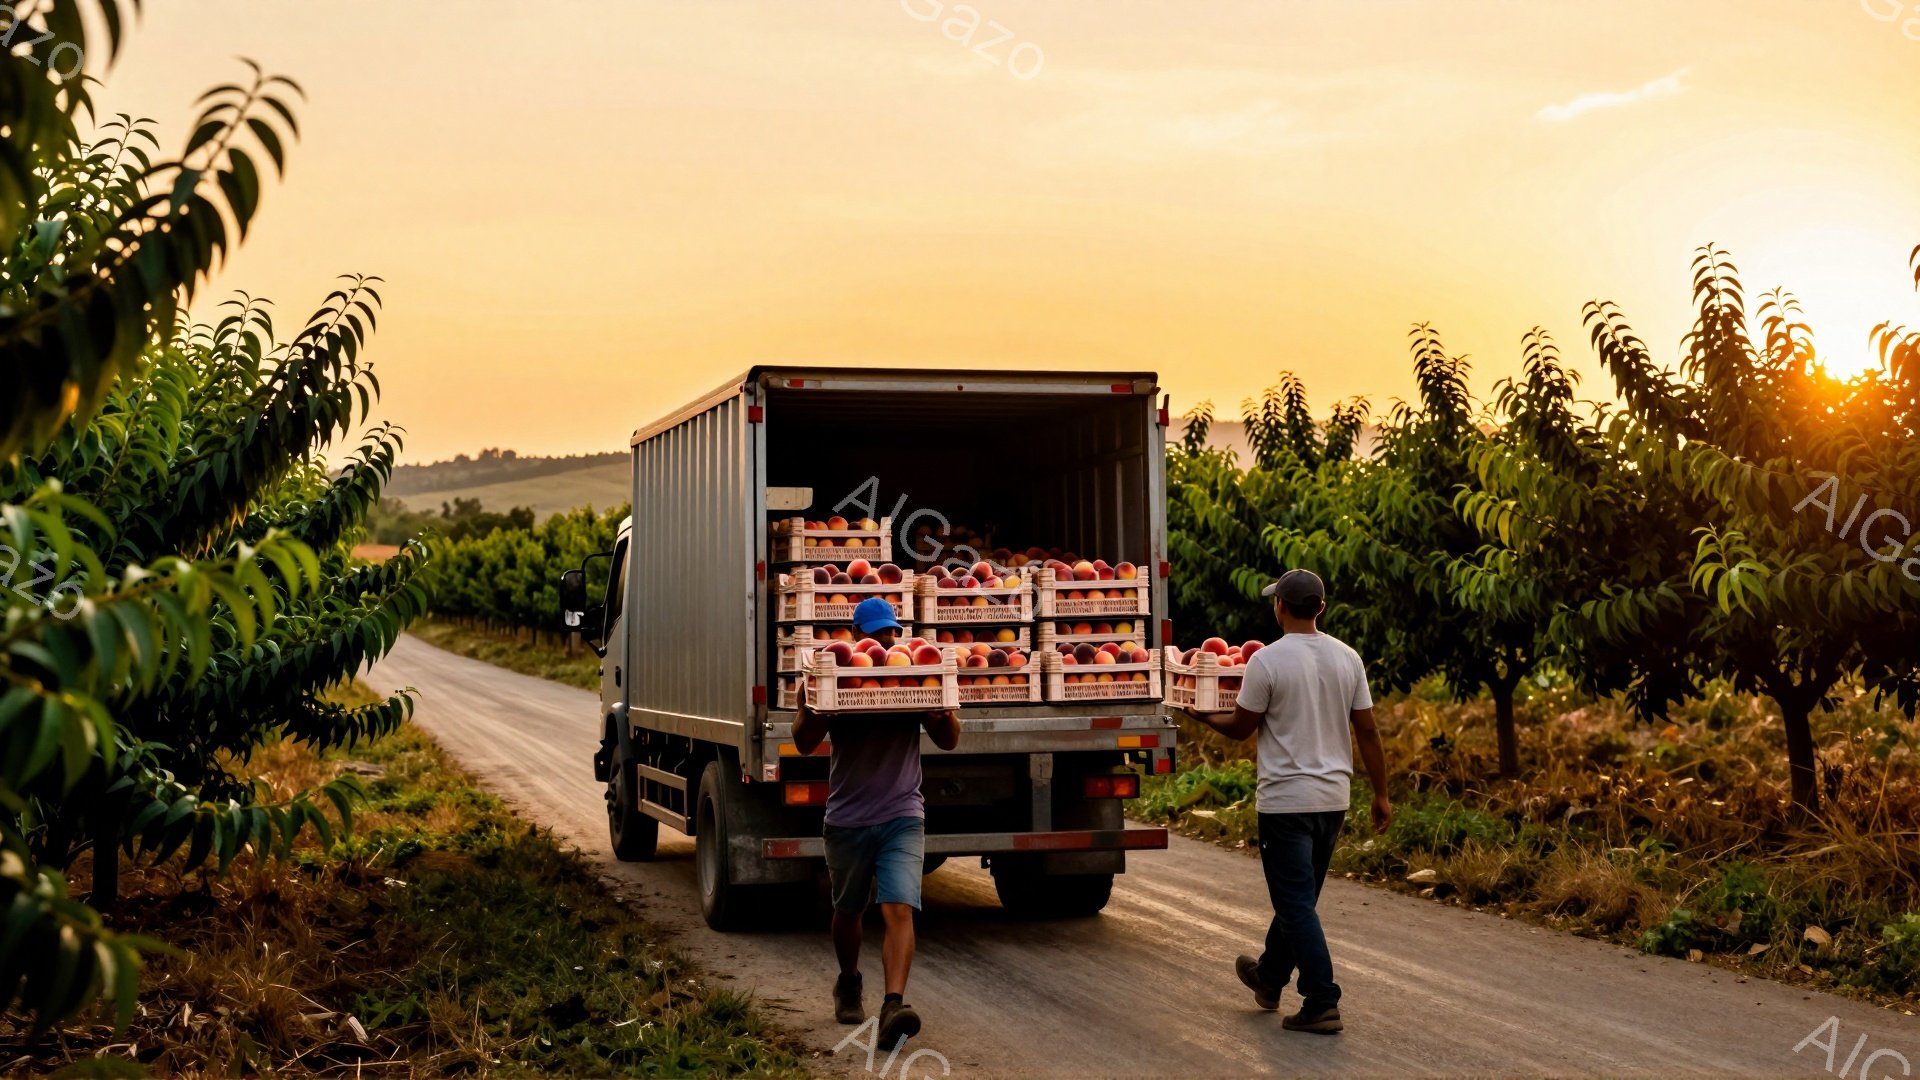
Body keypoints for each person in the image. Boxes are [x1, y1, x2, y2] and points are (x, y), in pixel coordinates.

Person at [1183, 569, 1390, 1035]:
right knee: (1300, 899)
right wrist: (1380, 792)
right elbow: (1369, 730)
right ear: (1321, 608)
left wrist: (1199, 714)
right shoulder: (1348, 658)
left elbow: (1240, 727)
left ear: (1280, 608)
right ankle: (1270, 976)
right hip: (1333, 799)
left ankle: (1321, 1000)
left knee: (1295, 902)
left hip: (1285, 802)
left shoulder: (1267, 662)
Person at [793, 595, 960, 1049]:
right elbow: (804, 742)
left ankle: (893, 1005)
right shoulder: (839, 675)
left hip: (902, 812)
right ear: (857, 636)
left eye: (891, 632)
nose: (886, 640)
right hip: (847, 816)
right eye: (877, 633)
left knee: (899, 906)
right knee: (848, 911)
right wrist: (810, 707)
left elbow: (949, 739)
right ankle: (849, 980)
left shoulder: (910, 674)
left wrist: (937, 711)